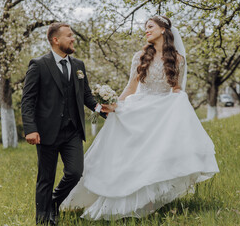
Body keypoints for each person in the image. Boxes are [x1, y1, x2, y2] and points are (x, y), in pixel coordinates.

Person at [61, 16, 220, 220]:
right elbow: (131, 87)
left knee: (153, 158)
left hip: (162, 113)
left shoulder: (178, 59)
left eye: (150, 27)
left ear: (163, 30)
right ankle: (118, 199)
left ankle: (148, 203)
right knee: (130, 156)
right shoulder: (140, 56)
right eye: (145, 28)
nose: (146, 31)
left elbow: (176, 90)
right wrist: (115, 103)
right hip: (140, 108)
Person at [21, 22, 111, 225]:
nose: (73, 39)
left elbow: (85, 94)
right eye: (69, 36)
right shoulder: (39, 64)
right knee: (46, 178)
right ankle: (43, 220)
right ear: (56, 40)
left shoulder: (78, 65)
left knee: (75, 172)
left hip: (72, 131)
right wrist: (31, 129)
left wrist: (101, 109)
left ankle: (53, 202)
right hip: (46, 132)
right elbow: (28, 100)